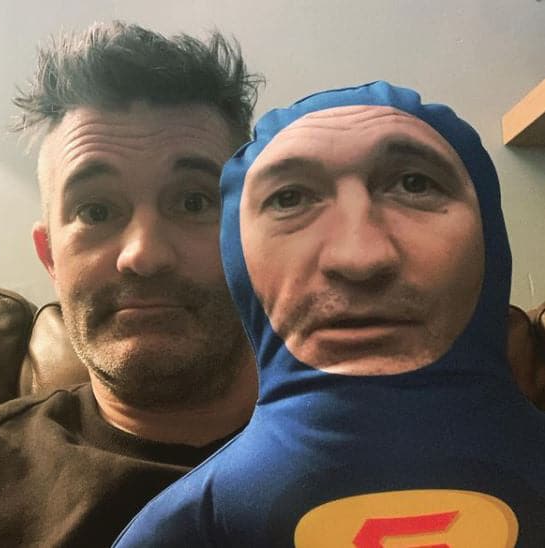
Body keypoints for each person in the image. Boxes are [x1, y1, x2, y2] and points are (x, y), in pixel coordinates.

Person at [114, 81, 545, 547]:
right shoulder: (199, 520)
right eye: (289, 199)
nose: (359, 258)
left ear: (489, 234)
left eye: (414, 184)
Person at [0, 22, 262, 546]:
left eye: (194, 202)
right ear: (50, 255)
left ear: (255, 233)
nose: (144, 255)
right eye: (95, 210)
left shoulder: (386, 443)